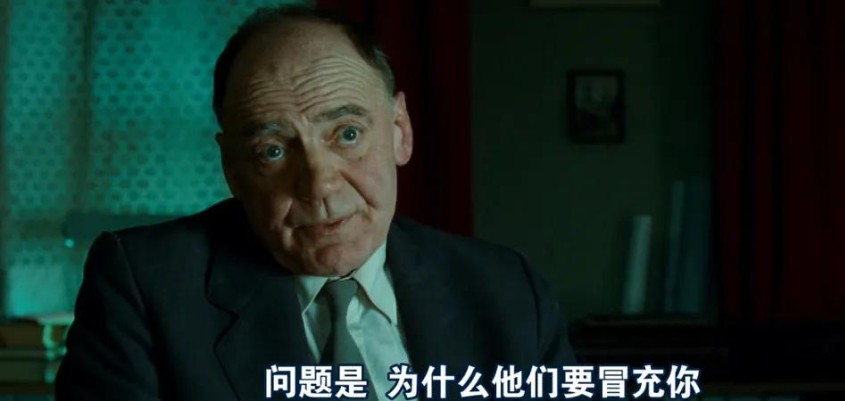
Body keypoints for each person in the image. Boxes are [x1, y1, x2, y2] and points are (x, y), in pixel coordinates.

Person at [54, 4, 575, 401]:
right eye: (273, 150)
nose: (319, 186)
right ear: (233, 168)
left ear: (399, 131)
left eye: (347, 134)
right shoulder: (146, 288)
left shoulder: (506, 291)